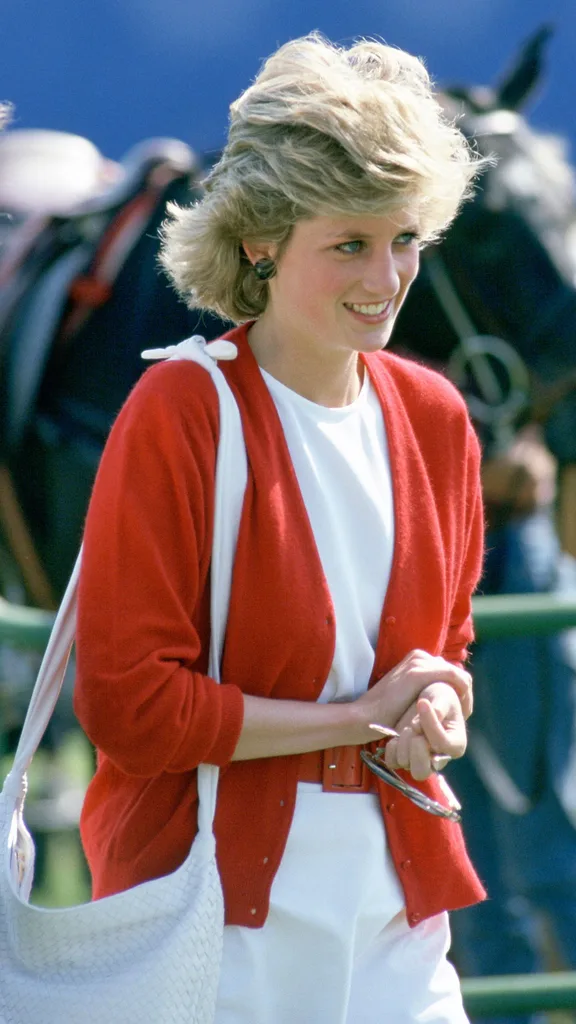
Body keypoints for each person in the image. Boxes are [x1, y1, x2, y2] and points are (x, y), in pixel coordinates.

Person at [73, 33, 487, 1023]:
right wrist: (358, 719)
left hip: (400, 911)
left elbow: (445, 647)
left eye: (406, 240)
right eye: (349, 243)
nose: (386, 277)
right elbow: (130, 708)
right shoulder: (181, 408)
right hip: (211, 918)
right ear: (260, 242)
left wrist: (435, 711)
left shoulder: (436, 417)